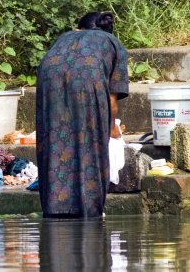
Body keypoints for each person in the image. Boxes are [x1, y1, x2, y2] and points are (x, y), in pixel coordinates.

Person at [36, 11, 129, 218]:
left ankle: (54, 208)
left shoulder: (64, 38)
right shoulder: (112, 42)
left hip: (48, 78)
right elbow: (112, 99)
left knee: (53, 136)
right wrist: (112, 127)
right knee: (91, 141)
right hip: (89, 80)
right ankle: (89, 209)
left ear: (78, 29)